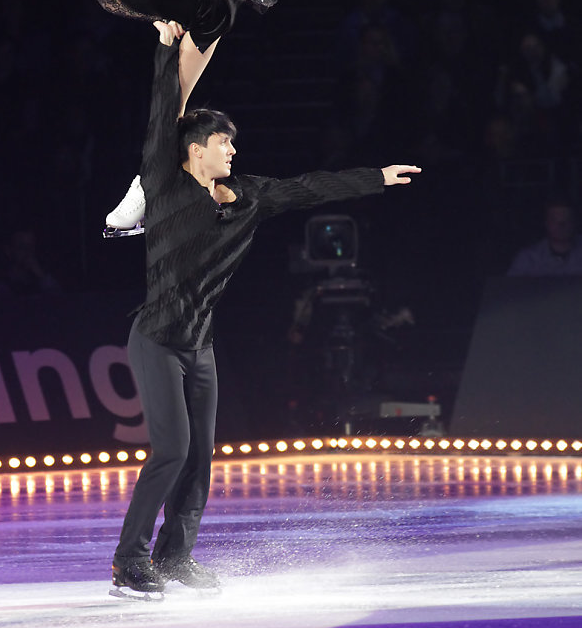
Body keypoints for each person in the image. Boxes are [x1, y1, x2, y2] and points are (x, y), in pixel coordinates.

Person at [110, 33, 421, 597]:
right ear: (195, 149)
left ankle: (175, 558)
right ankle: (130, 561)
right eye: (223, 143)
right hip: (156, 337)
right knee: (173, 450)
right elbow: (161, 112)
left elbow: (307, 188)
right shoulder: (165, 185)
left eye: (232, 143)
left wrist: (374, 177)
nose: (232, 151)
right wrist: (163, 50)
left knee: (200, 457)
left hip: (200, 343)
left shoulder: (249, 195)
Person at [71, 0, 276, 232]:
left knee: (168, 104)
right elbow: (108, 0)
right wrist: (156, 20)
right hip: (181, 15)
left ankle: (146, 190)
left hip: (198, 11)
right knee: (171, 109)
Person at [508, 199, 582, 276]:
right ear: (546, 223)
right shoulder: (528, 259)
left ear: (575, 222)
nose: (561, 225)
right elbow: (510, 286)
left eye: (567, 220)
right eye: (554, 220)